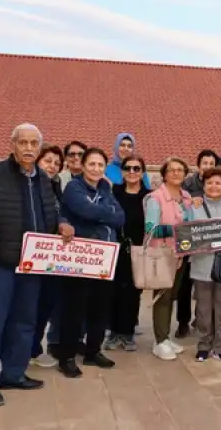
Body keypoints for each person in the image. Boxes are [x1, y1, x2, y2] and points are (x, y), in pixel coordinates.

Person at [0, 124, 72, 407]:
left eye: (34, 143)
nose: (29, 148)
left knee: (25, 322)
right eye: (23, 143)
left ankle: (14, 373)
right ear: (13, 145)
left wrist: (62, 224)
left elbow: (52, 212)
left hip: (34, 265)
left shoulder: (44, 179)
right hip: (3, 262)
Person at [57, 148, 125, 378]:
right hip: (81, 257)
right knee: (75, 308)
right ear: (83, 166)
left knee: (100, 308)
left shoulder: (106, 188)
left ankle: (93, 351)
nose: (96, 169)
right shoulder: (74, 187)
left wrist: (100, 213)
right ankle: (66, 356)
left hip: (105, 258)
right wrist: (104, 213)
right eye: (92, 164)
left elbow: (120, 217)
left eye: (100, 165)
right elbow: (82, 209)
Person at [189, 167, 221, 362]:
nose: (213, 186)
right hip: (201, 264)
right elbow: (187, 234)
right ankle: (204, 345)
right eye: (209, 183)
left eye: (218, 183)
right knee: (203, 310)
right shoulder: (194, 206)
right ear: (203, 185)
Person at [145, 157, 194, 361]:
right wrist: (177, 231)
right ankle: (159, 341)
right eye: (172, 170)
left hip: (181, 255)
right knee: (162, 297)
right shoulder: (155, 198)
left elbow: (192, 223)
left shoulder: (186, 197)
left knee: (172, 295)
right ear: (164, 174)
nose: (176, 173)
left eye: (180, 170)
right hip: (162, 254)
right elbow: (151, 228)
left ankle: (165, 336)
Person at [105, 156, 149, 351]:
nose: (132, 172)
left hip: (138, 250)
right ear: (122, 171)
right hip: (115, 248)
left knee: (133, 292)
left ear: (142, 172)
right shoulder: (114, 192)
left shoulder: (149, 197)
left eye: (136, 168)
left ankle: (128, 332)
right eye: (128, 168)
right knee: (113, 291)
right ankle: (113, 332)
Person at [30, 144, 65, 368]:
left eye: (56, 163)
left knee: (45, 306)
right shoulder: (30, 185)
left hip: (52, 259)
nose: (52, 166)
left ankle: (34, 348)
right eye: (48, 161)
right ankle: (22, 350)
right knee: (28, 307)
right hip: (32, 256)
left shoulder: (56, 187)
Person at [177, 149, 218, 338]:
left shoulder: (218, 184)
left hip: (209, 243)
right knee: (185, 285)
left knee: (204, 284)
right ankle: (182, 322)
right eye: (205, 163)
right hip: (189, 240)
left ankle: (200, 319)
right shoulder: (186, 184)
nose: (208, 167)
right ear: (198, 165)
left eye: (211, 164)